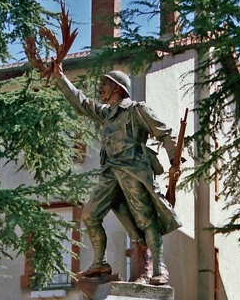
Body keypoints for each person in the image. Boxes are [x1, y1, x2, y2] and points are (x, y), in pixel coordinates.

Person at [52, 62, 182, 285]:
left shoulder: (137, 110)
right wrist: (60, 78)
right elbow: (81, 103)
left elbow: (165, 133)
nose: (100, 87)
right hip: (110, 173)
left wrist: (174, 162)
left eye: (105, 83)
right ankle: (100, 262)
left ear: (118, 88)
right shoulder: (107, 113)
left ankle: (160, 267)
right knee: (89, 215)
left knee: (145, 219)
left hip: (133, 171)